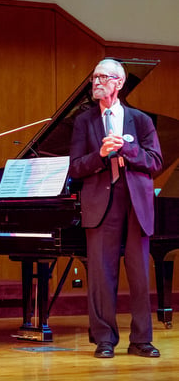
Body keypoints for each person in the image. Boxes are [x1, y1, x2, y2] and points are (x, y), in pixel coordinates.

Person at [69, 58, 163, 359]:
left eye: (103, 77)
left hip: (136, 201)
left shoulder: (141, 120)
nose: (96, 82)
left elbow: (155, 162)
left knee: (138, 273)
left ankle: (141, 340)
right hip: (100, 201)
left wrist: (126, 149)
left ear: (119, 83)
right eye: (94, 76)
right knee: (100, 274)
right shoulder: (84, 121)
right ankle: (104, 339)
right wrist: (100, 154)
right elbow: (75, 167)